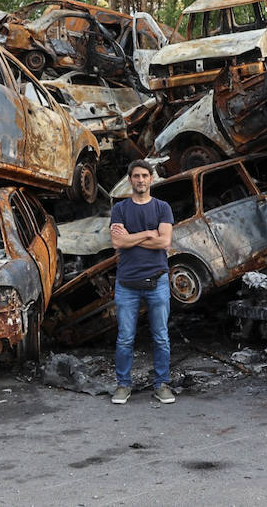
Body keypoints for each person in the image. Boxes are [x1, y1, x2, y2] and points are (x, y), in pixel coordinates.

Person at [109, 159, 175, 404]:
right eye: (136, 176)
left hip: (157, 282)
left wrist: (132, 237)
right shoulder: (120, 209)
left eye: (144, 176)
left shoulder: (162, 208)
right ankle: (123, 385)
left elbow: (164, 242)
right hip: (126, 284)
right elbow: (117, 243)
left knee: (160, 336)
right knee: (125, 337)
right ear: (130, 180)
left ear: (151, 179)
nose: (140, 180)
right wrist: (149, 233)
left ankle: (162, 384)